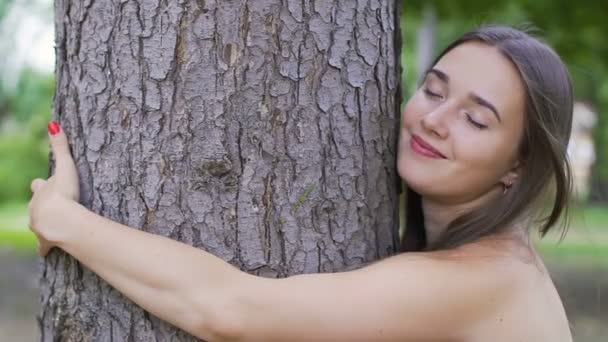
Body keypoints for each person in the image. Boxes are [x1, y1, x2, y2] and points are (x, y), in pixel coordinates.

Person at [28, 25, 574, 341]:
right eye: (434, 90)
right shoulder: (496, 265)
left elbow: (230, 311)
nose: (435, 119)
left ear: (518, 167)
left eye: (476, 120)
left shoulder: (485, 279)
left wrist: (65, 219)